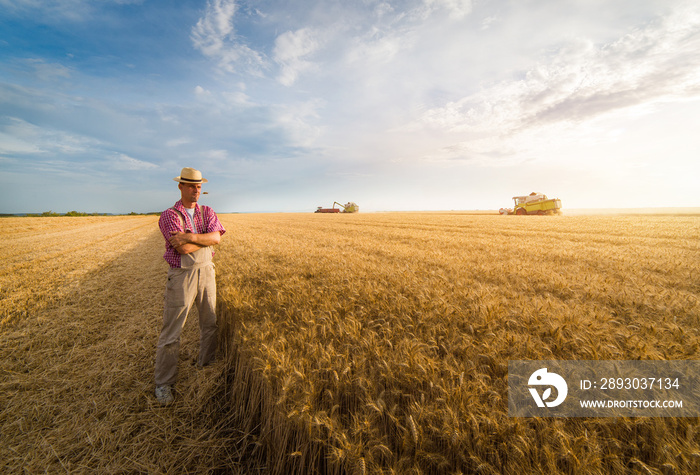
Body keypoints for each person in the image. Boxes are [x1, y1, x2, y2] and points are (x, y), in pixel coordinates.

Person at [154, 167, 226, 405]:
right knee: (172, 331)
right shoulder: (169, 215)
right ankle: (164, 383)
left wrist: (189, 236)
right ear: (180, 187)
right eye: (191, 186)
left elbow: (217, 237)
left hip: (207, 271)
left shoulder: (207, 211)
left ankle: (206, 367)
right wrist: (202, 239)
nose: (196, 190)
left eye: (199, 187)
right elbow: (182, 249)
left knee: (210, 323)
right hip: (182, 275)